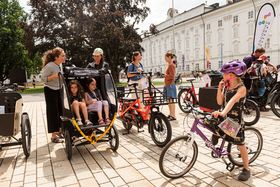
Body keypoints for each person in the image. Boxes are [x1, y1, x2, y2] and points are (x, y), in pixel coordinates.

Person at [212, 60, 250, 181]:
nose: (222, 75)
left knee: (240, 144)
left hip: (235, 121)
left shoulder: (241, 88)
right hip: (226, 117)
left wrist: (223, 112)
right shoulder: (227, 86)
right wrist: (219, 88)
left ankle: (246, 169)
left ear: (231, 75)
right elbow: (219, 102)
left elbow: (232, 101)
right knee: (210, 121)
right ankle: (218, 133)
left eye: (224, 73)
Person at [41, 47, 65, 143]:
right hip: (50, 90)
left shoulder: (60, 65)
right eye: (62, 56)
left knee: (61, 111)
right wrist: (53, 76)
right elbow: (43, 78)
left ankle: (60, 131)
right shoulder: (50, 66)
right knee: (53, 112)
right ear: (56, 57)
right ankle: (53, 136)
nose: (64, 57)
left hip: (59, 89)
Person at [164, 52, 177, 121]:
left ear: (169, 57)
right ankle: (171, 114)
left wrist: (165, 75)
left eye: (165, 57)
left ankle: (173, 115)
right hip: (168, 85)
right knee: (169, 100)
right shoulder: (170, 65)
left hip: (170, 85)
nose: (165, 59)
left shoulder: (171, 65)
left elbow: (172, 76)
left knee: (171, 101)